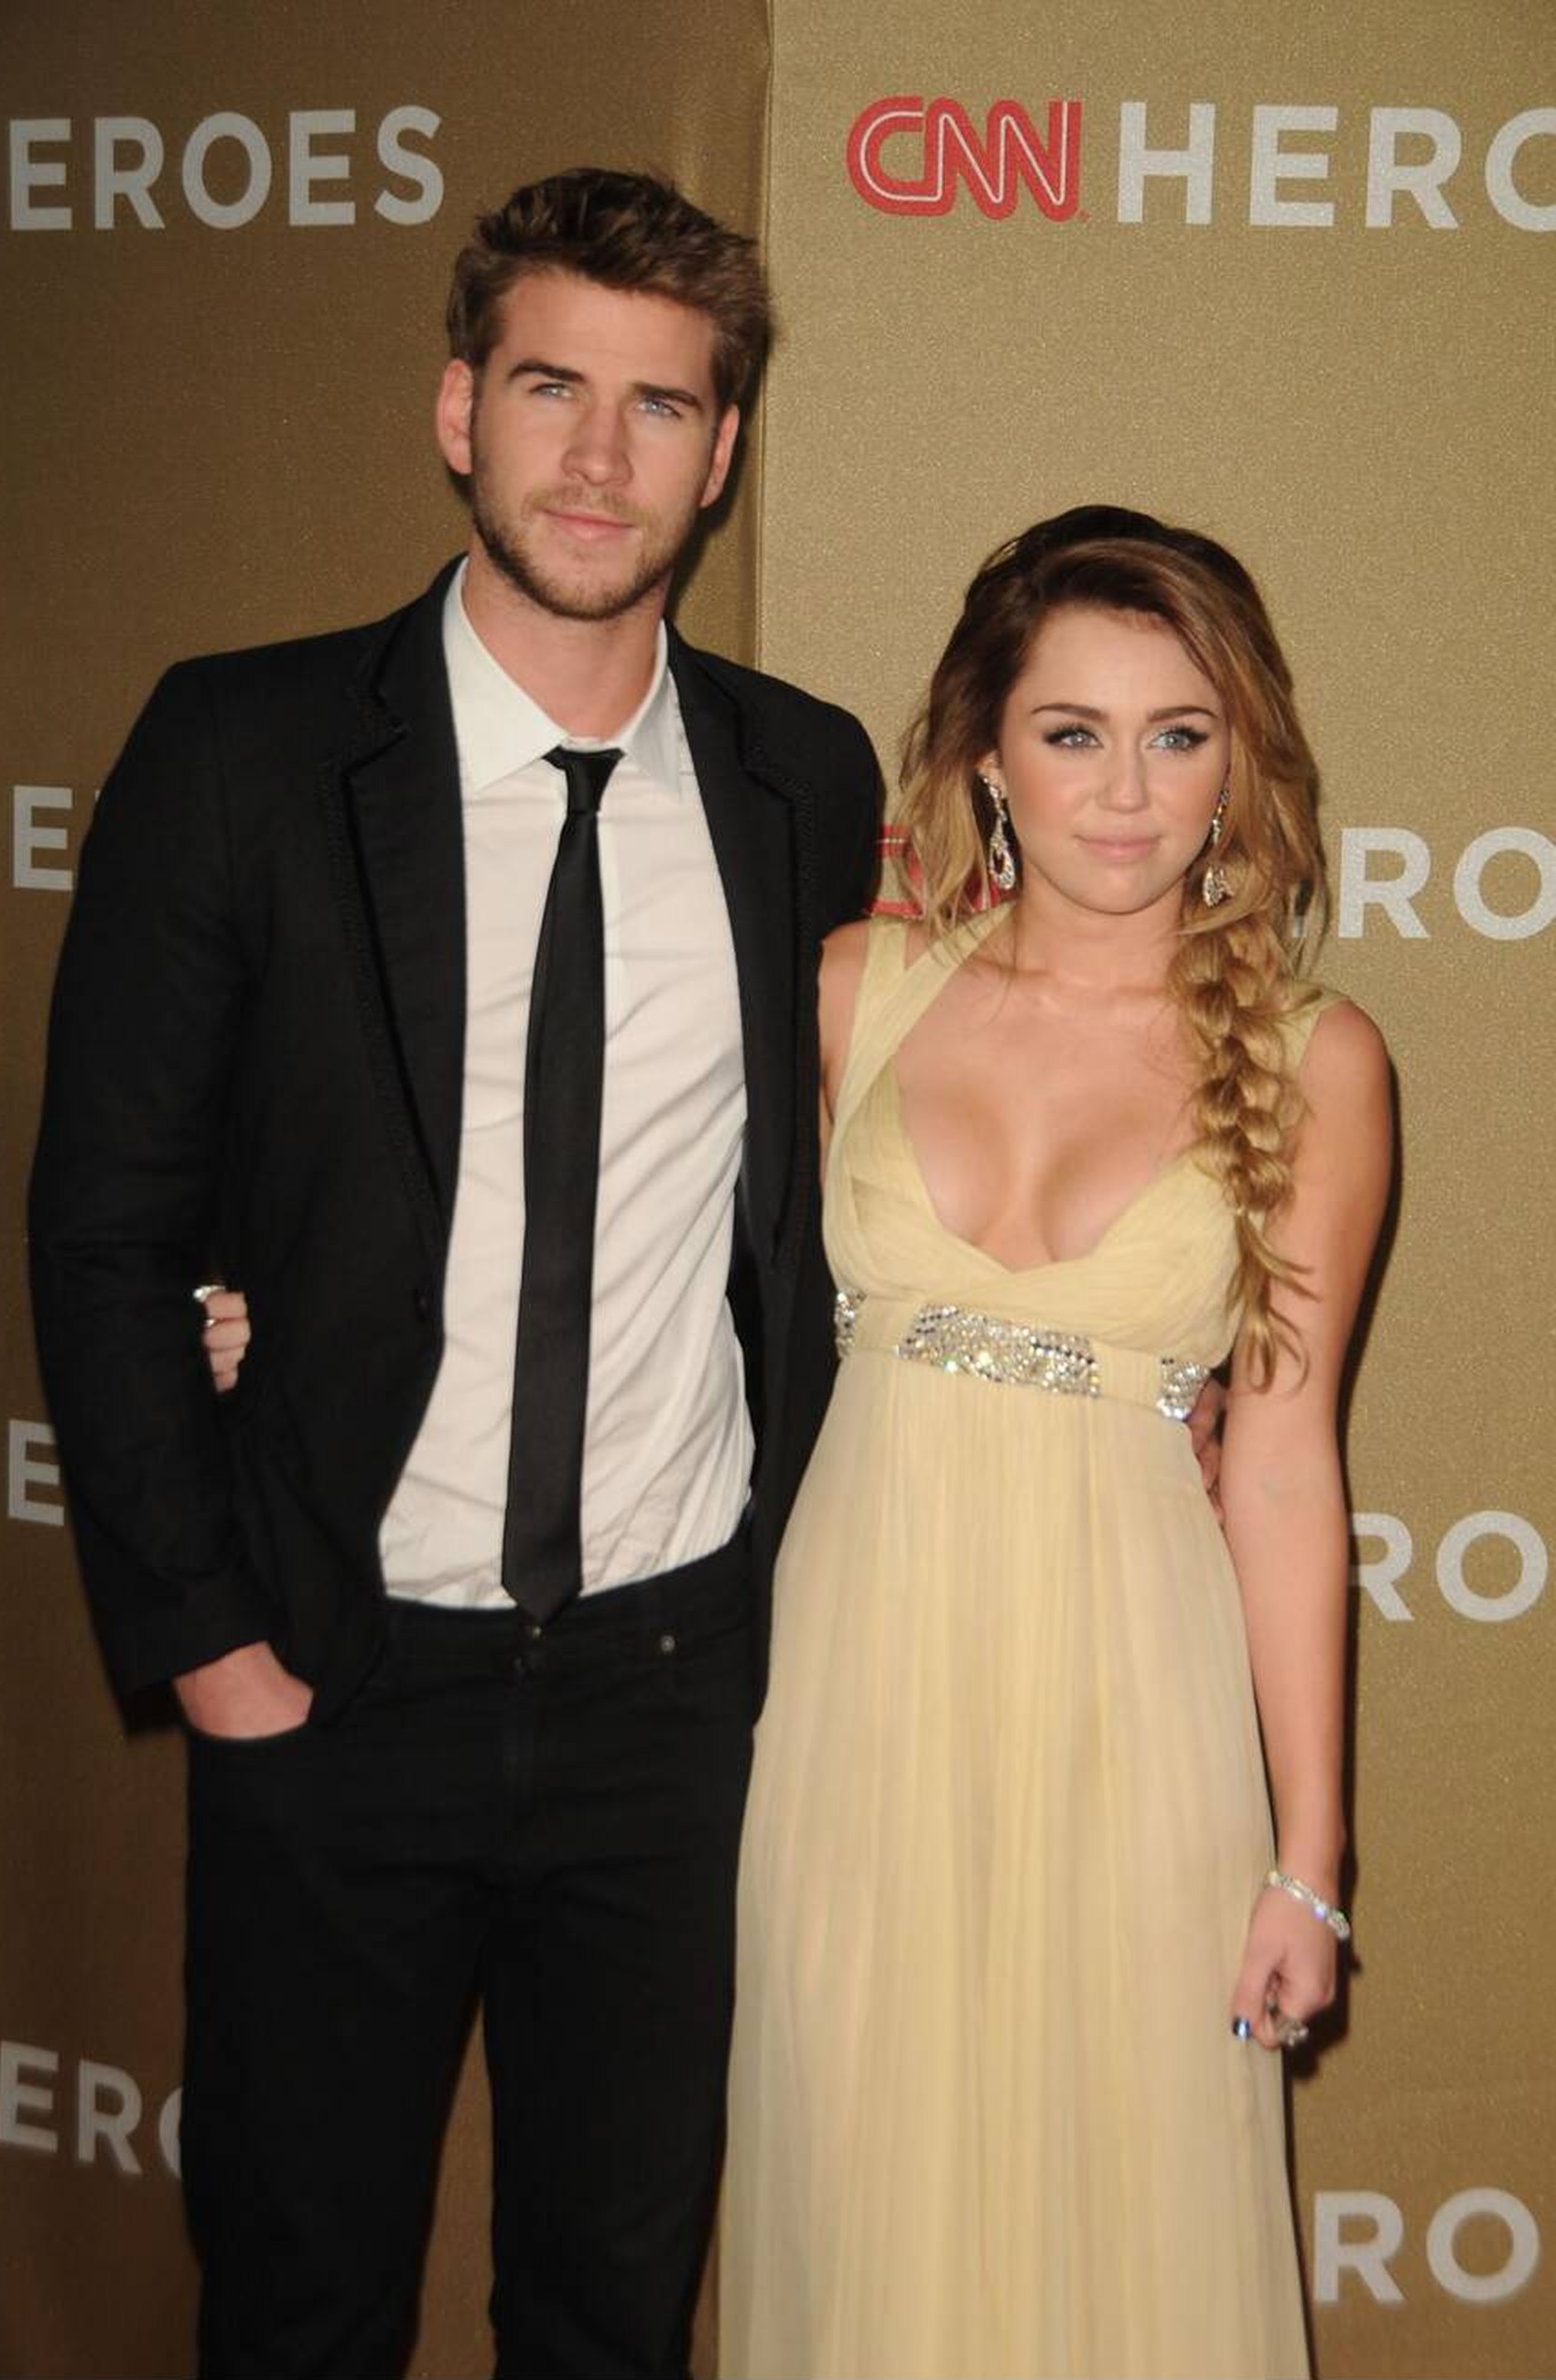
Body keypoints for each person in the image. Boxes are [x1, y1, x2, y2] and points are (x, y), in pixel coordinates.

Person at [27, 169, 883, 2380]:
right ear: (454, 410)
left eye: (658, 405)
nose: (598, 457)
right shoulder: (243, 750)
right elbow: (105, 1222)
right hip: (334, 1676)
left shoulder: (800, 777)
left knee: (611, 2317)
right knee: (297, 2309)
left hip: (671, 1692)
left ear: (721, 447)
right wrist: (212, 1644)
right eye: (548, 388)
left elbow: (842, 1205)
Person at [717, 508, 1392, 2380]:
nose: (1124, 790)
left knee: (1124, 2236)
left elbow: (1283, 1463)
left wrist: (1307, 1852)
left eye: (1177, 734)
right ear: (983, 755)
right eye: (1071, 732)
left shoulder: (1315, 1055)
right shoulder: (850, 993)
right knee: (861, 2199)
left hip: (1136, 1707)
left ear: (1236, 760)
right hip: (850, 1696)